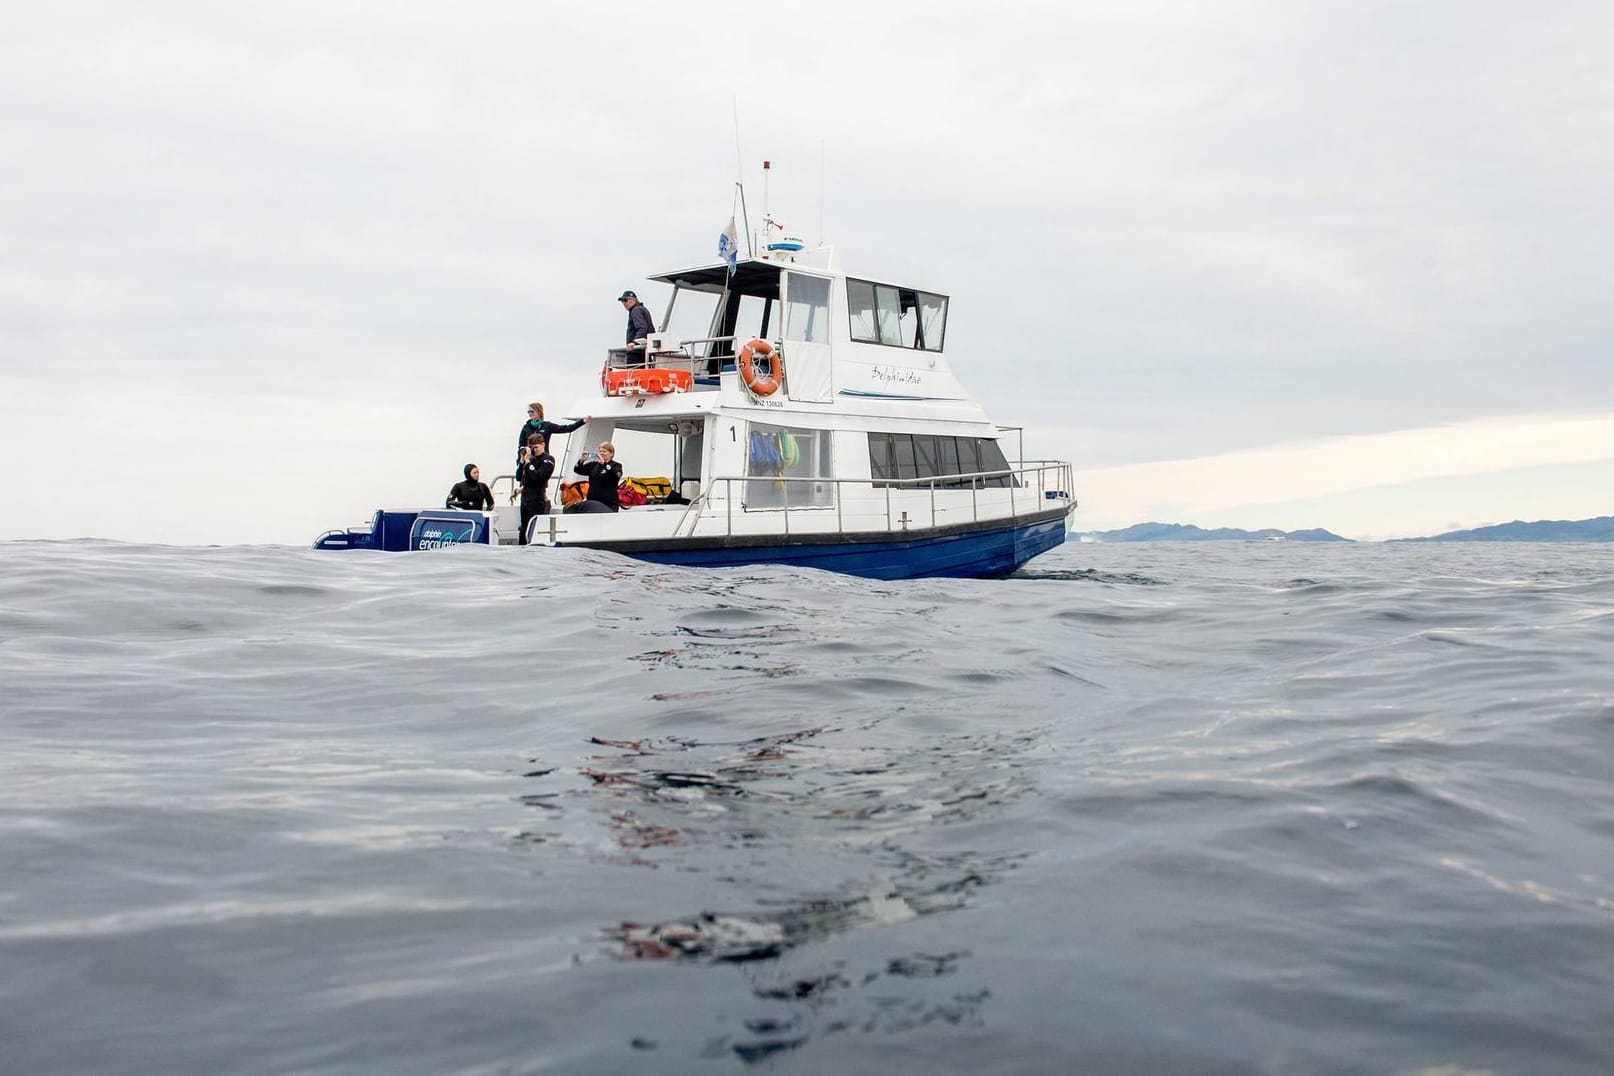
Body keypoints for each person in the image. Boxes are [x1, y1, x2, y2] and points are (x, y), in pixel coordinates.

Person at [515, 404, 588, 468]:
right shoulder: (526, 427)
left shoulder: (547, 426)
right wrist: (521, 459)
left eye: (532, 411)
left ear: (539, 411)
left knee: (540, 479)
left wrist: (582, 422)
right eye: (528, 412)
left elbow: (566, 428)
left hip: (542, 459)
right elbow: (521, 444)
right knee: (526, 481)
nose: (530, 414)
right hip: (528, 459)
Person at [514, 434, 555, 544]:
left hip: (537, 498)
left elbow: (539, 477)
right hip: (525, 498)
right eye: (532, 447)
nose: (534, 450)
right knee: (524, 527)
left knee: (536, 527)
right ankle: (522, 548)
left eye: (536, 447)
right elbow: (518, 477)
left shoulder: (548, 459)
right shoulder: (530, 459)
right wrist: (522, 461)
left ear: (543, 445)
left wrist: (528, 464)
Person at [570, 441, 623, 512]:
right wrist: (581, 460)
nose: (601, 453)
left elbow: (616, 474)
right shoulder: (593, 465)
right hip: (593, 502)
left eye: (604, 451)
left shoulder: (616, 465)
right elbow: (577, 470)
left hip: (608, 503)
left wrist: (604, 464)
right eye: (600, 451)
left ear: (611, 454)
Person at [618, 290, 655, 367]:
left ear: (633, 299)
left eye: (626, 300)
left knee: (632, 376)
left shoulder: (636, 310)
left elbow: (642, 327)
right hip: (644, 352)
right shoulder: (642, 309)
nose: (624, 303)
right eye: (622, 301)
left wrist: (634, 343)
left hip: (636, 352)